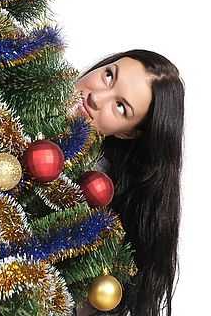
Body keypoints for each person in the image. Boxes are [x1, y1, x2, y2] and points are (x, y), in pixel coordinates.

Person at [74, 49, 185, 316]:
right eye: (108, 75)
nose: (96, 97)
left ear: (127, 133)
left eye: (120, 106)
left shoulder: (92, 209)